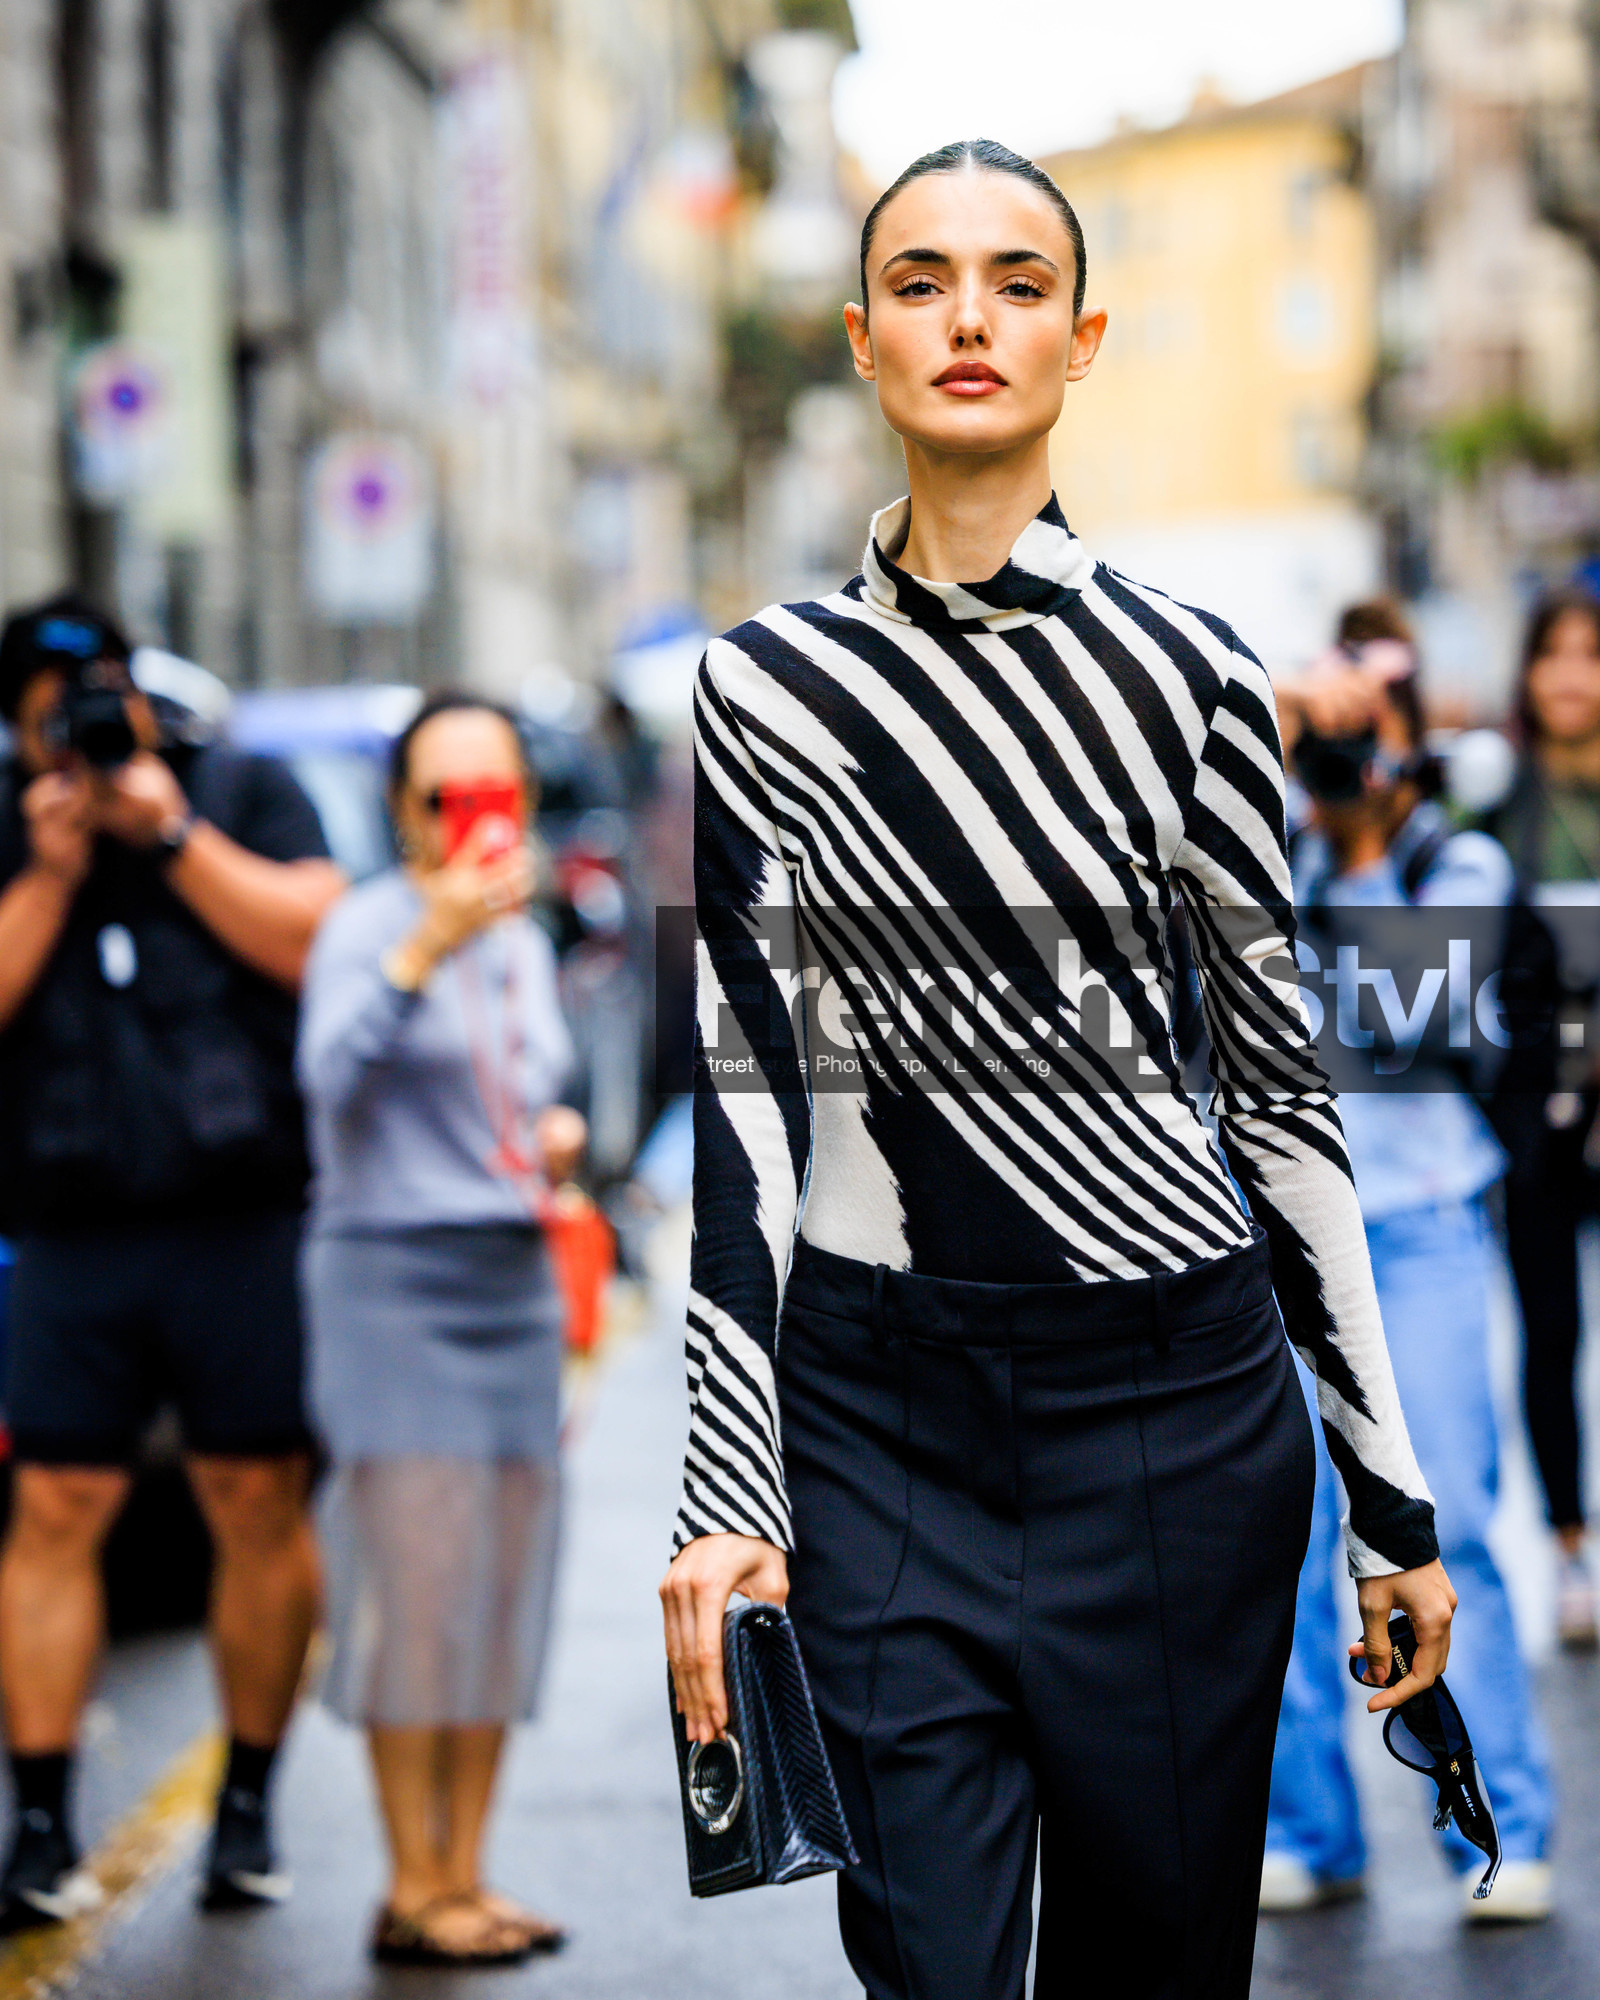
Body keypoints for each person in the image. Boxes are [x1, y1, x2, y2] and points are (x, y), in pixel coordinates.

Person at [659, 140, 1454, 2000]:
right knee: (930, 1966)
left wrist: (1391, 1500)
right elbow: (746, 1094)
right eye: (921, 281)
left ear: (1082, 340)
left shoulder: (1195, 678)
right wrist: (724, 1489)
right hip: (879, 1415)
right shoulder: (760, 686)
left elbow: (1277, 1097)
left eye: (1019, 284)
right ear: (862, 338)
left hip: (1175, 1420)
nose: (970, 318)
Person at [0, 594, 344, 1926]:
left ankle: (246, 1804)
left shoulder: (237, 787)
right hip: (66, 1230)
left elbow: (321, 943)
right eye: (51, 717)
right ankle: (39, 1826)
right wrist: (48, 874)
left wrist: (170, 832)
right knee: (53, 1509)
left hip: (238, 1219)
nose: (81, 735)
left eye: (100, 699)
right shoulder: (17, 826)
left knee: (256, 1500)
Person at [1262, 610, 1554, 1921]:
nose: (1341, 762)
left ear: (1407, 740)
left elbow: (1416, 1006)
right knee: (1282, 1543)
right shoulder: (1262, 848)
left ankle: (1501, 1831)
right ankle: (1308, 1831)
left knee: (1451, 1534)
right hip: (1279, 1239)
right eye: (1324, 736)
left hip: (1420, 1230)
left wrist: (1363, 847)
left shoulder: (1457, 859)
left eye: (1360, 734)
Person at [297, 692, 582, 1968]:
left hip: (509, 1276)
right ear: (403, 810)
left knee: (502, 1582)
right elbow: (327, 1080)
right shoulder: (364, 924)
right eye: (446, 797)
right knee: (416, 1584)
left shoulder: (522, 936)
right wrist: (423, 945)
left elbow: (526, 1091)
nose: (475, 820)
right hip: (389, 1281)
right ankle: (411, 1882)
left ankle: (464, 1868)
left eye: (497, 794)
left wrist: (552, 1138)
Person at [1477, 587, 1600, 1647]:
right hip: (1532, 1112)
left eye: (1589, 653)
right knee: (1550, 1330)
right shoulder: (1493, 798)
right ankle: (1572, 1547)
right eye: (1553, 653)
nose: (1570, 674)